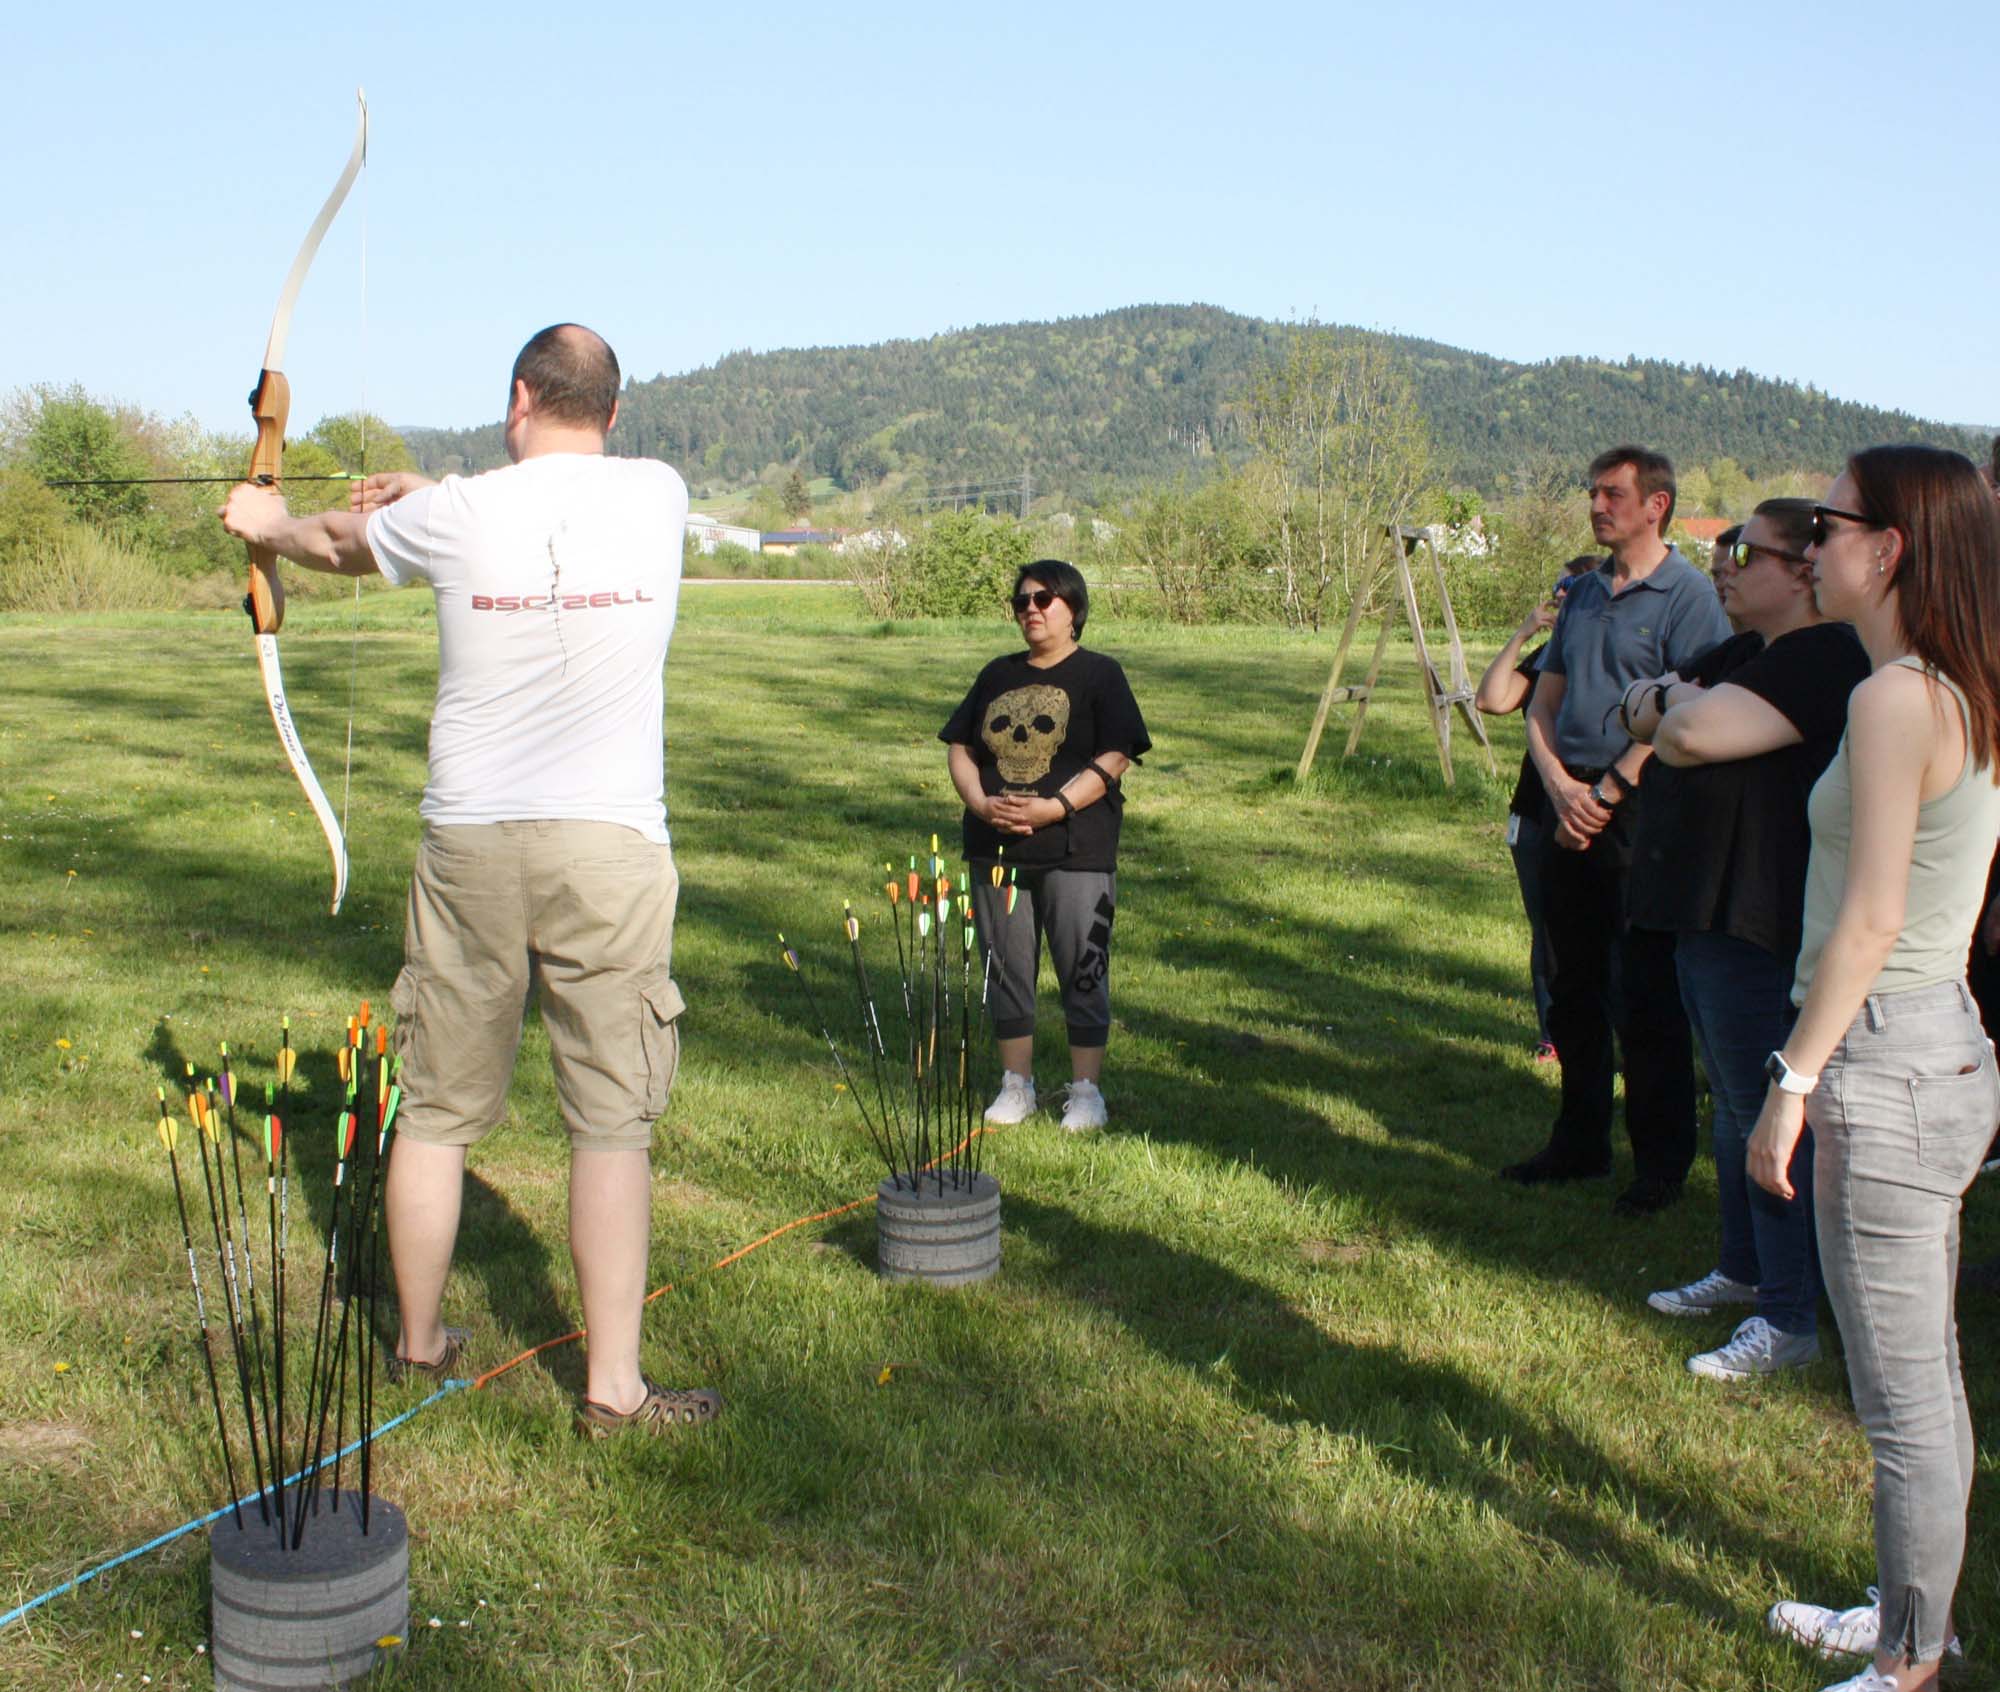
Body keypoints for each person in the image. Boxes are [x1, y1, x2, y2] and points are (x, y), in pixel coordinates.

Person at [220, 324, 718, 1437]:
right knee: (609, 1122)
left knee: (437, 1113)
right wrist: (424, 491)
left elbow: (344, 542)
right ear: (612, 412)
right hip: (610, 847)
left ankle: (416, 1341)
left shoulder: (454, 514)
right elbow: (531, 506)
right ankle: (611, 1390)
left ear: (516, 400)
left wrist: (269, 525)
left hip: (471, 846)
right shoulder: (657, 491)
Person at [1748, 447, 2000, 1692]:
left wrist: (1789, 1086)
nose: (1804, 547)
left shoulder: (1895, 698)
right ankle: (1919, 1621)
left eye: (1824, 525)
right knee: (1929, 1379)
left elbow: (1867, 919)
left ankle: (1906, 1665)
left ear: (1888, 546)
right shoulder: (1950, 685)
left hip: (1885, 1057)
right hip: (1939, 1050)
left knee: (1899, 1397)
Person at [1621, 500, 1870, 1379]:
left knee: (1769, 1115)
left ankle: (1789, 1315)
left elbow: (1678, 727)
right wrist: (1674, 706)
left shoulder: (1824, 658)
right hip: (1703, 911)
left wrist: (1679, 711)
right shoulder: (1744, 656)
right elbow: (1633, 709)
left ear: (1802, 570)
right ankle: (1743, 1268)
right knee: (1731, 1103)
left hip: (1759, 915)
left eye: (1743, 551)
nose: (1722, 563)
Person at [1500, 446, 1732, 1214]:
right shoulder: (1586, 593)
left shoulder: (1688, 596)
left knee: (1644, 993)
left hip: (1640, 810)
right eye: (1592, 492)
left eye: (1612, 494)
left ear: (1656, 505)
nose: (1596, 506)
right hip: (1563, 801)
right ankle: (1579, 1142)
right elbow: (1541, 701)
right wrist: (1561, 786)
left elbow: (1687, 705)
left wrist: (1605, 792)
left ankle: (1661, 1164)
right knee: (1572, 985)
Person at [941, 561, 1150, 1131]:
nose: (1031, 609)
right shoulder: (995, 675)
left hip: (1077, 849)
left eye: (1045, 599)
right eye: (1022, 601)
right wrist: (981, 804)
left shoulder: (1101, 675)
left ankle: (1085, 1092)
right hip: (996, 848)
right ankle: (1017, 1085)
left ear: (1074, 610)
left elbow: (1117, 755)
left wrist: (1055, 807)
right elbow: (960, 746)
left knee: (1083, 966)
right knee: (1005, 966)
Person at [1474, 555, 1597, 1060]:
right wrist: (1524, 634)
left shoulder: (1616, 657)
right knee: (1547, 929)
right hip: (1534, 812)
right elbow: (1491, 699)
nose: (1561, 596)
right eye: (1558, 588)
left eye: (1571, 588)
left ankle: (1610, 1034)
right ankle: (1554, 1036)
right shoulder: (1548, 654)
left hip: (1597, 810)